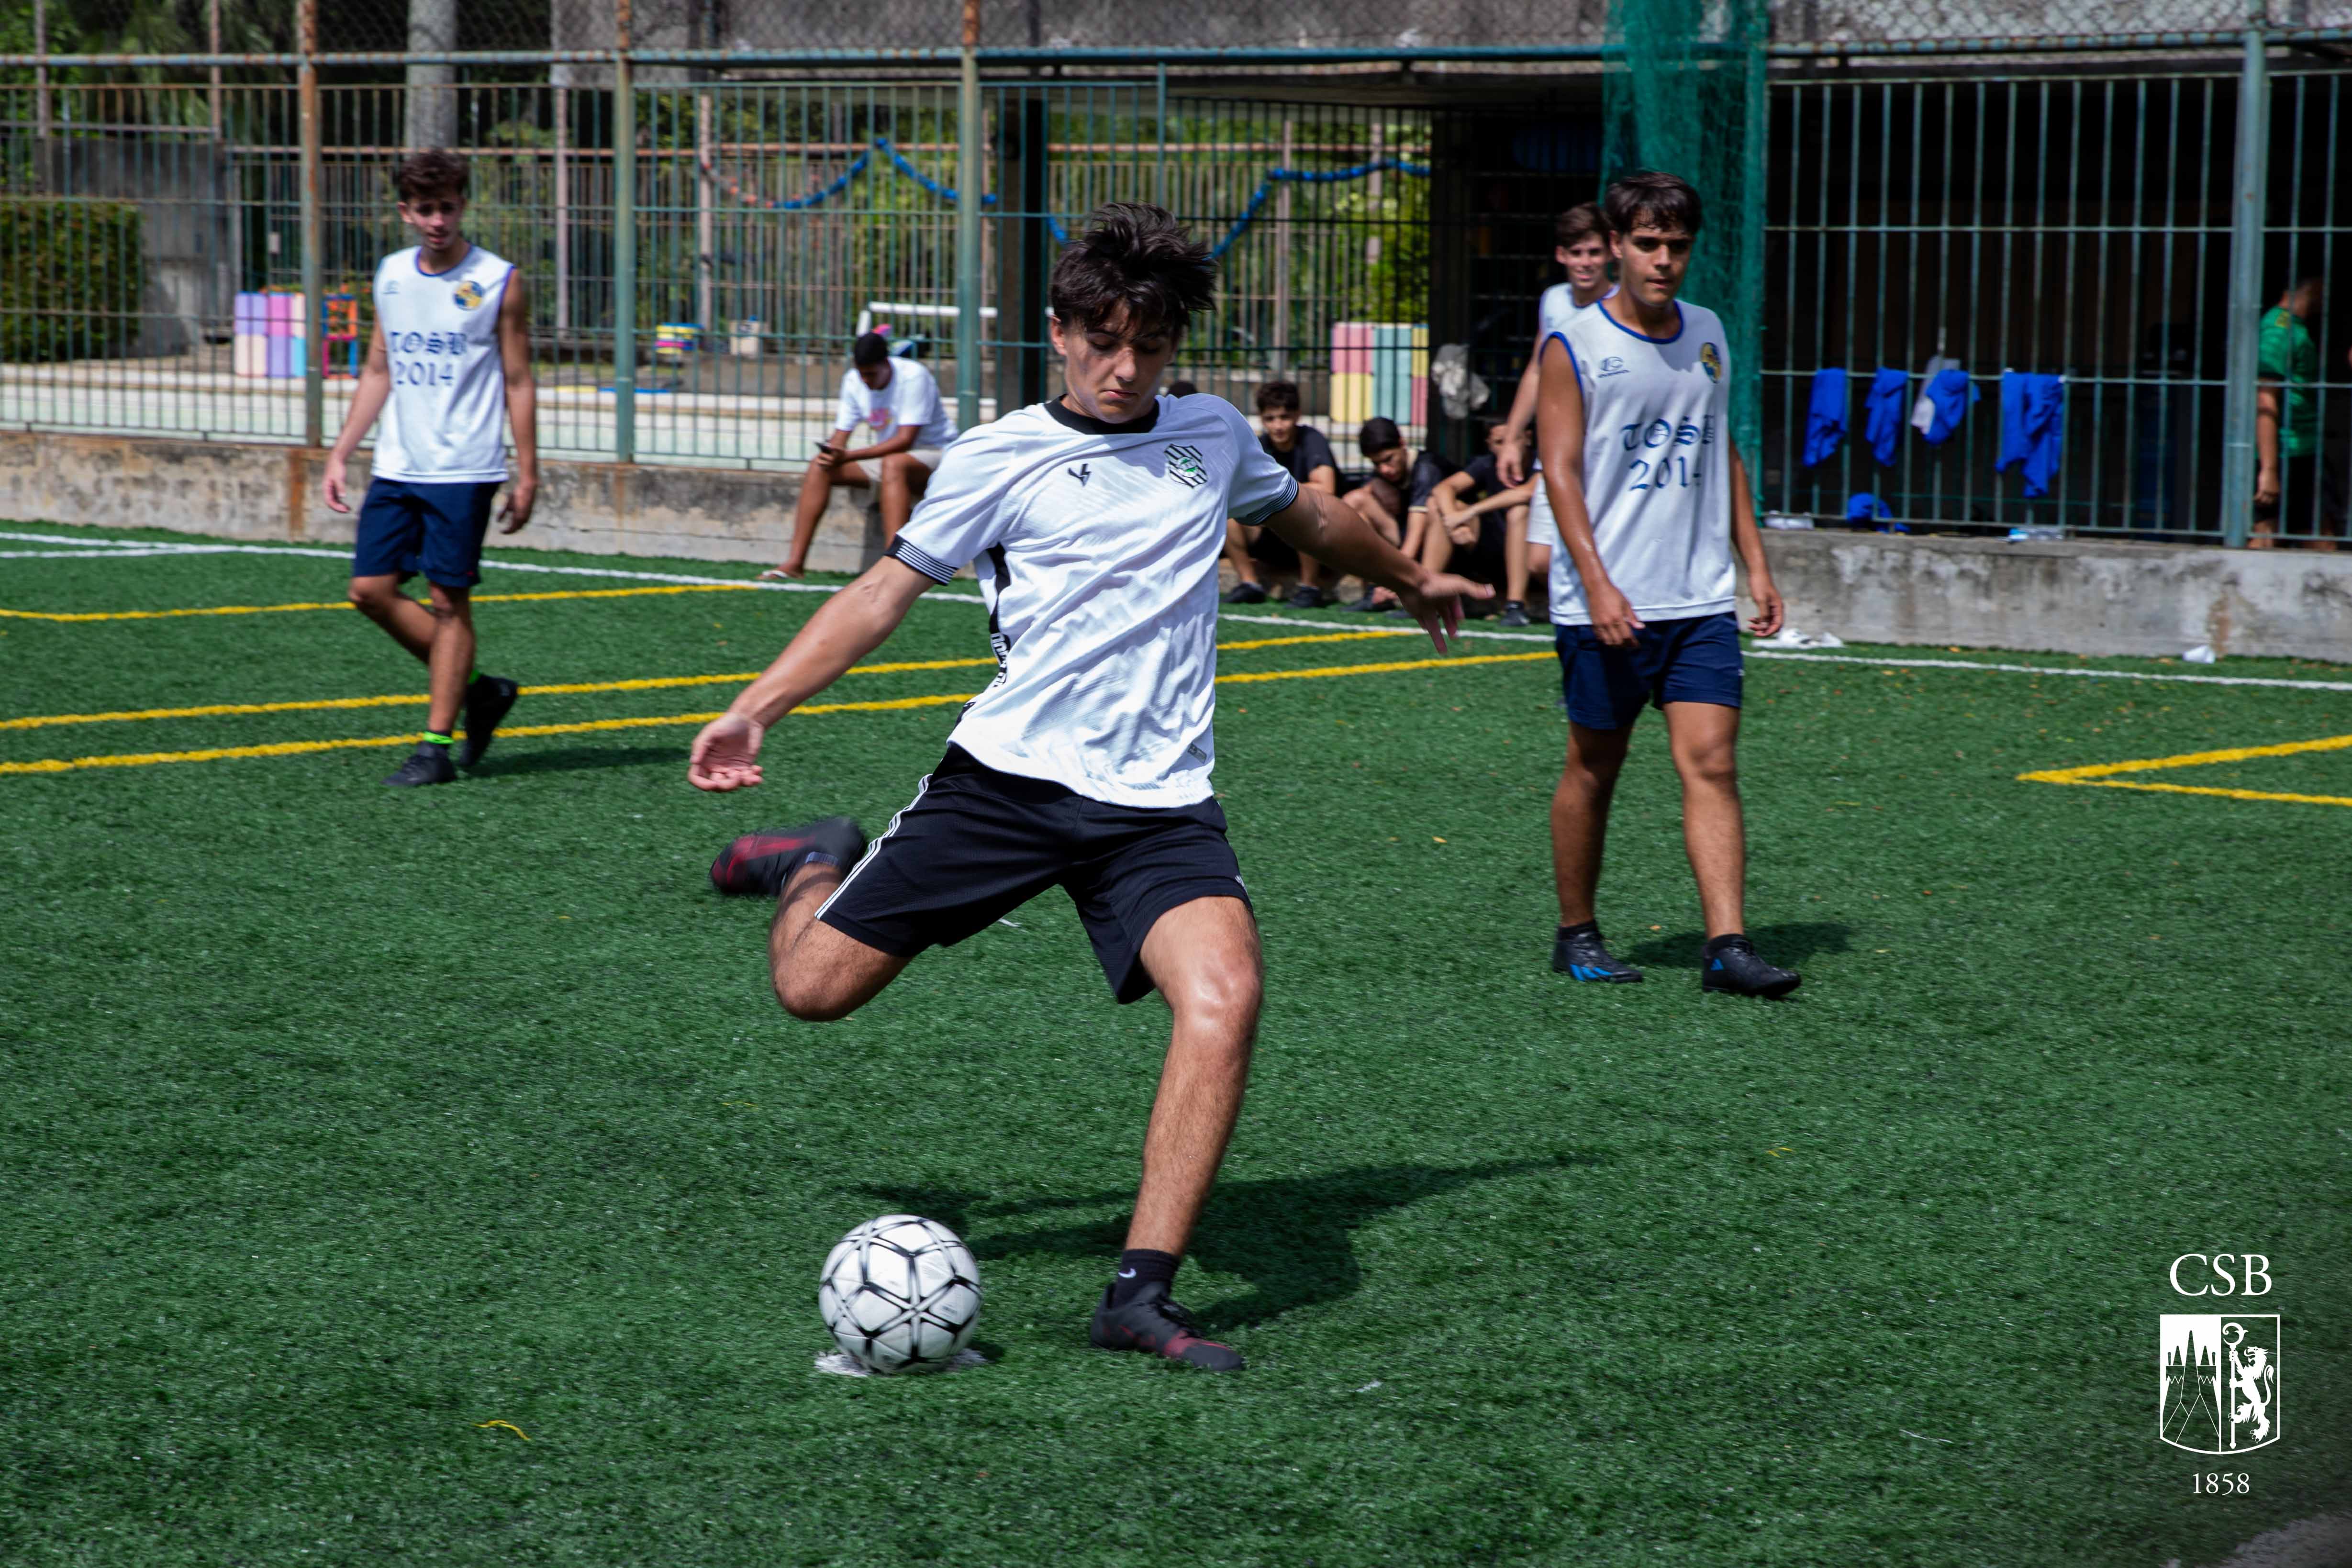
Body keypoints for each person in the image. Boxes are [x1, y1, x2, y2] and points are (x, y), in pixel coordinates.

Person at [686, 205, 1486, 1371]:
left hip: (1157, 805)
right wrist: (757, 707)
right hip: (1007, 786)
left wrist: (1410, 572)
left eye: (1150, 348)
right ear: (1059, 333)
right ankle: (815, 858)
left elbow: (1305, 512)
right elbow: (882, 595)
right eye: (1104, 342)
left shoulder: (1209, 435)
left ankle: (1138, 1295)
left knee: (1225, 995)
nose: (1125, 370)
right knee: (813, 990)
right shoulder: (1000, 456)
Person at [1534, 170, 1797, 997]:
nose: (1662, 261)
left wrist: (1755, 563)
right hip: (1607, 605)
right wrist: (1598, 582)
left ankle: (1728, 946)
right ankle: (1576, 932)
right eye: (1646, 244)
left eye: (1677, 246)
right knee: (1593, 766)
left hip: (1698, 599)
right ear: (1614, 245)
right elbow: (1561, 470)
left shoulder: (1710, 332)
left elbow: (1721, 448)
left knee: (1713, 764)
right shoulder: (1572, 344)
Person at [321, 148, 536, 788]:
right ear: (405, 213)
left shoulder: (497, 279)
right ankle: (481, 690)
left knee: (448, 601)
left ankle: (434, 747)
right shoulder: (390, 276)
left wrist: (527, 473)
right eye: (425, 209)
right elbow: (378, 370)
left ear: (462, 206)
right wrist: (340, 452)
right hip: (398, 463)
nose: (437, 220)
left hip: (465, 467)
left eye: (447, 207)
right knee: (370, 590)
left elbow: (520, 379)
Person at [1501, 203, 1616, 626]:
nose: (1585, 262)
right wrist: (1513, 435)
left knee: (1598, 553)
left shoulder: (1622, 304)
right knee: (1540, 561)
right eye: (1576, 253)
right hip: (1558, 451)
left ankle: (1602, 638)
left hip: (1606, 454)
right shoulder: (1553, 301)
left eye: (1593, 252)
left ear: (1609, 254)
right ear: (1560, 255)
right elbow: (1536, 367)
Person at [765, 332, 958, 579]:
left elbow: (905, 440)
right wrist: (832, 453)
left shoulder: (913, 376)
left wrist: (849, 455)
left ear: (887, 364)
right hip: (894, 459)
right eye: (862, 373)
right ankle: (794, 564)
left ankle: (896, 566)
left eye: (872, 374)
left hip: (937, 455)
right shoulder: (854, 381)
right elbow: (841, 434)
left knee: (893, 464)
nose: (866, 380)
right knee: (819, 467)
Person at [1220, 379, 1341, 606]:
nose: (1278, 426)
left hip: (1318, 537)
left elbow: (1327, 489)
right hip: (1273, 531)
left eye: (1284, 418)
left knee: (1303, 508)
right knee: (1228, 512)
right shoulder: (1260, 445)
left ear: (1297, 415)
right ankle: (1249, 584)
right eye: (1270, 419)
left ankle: (1309, 587)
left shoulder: (1312, 440)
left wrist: (1277, 494)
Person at [2255, 275, 2344, 551]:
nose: (2326, 298)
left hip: (2300, 450)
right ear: (2311, 286)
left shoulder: (2294, 327)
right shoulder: (2279, 331)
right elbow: (2266, 398)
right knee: (2315, 539)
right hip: (2289, 452)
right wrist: (2269, 470)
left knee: (2279, 535)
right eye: (2323, 289)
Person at [1420, 421, 1536, 620]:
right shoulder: (1487, 463)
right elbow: (1443, 489)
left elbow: (1527, 493)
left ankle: (1516, 605)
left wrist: (1470, 513)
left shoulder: (1540, 462)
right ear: (1489, 444)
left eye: (1513, 440)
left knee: (1519, 511)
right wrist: (1454, 523)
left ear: (1528, 438)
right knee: (1436, 504)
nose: (1507, 448)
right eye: (1500, 442)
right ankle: (1423, 595)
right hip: (1493, 547)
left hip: (1534, 548)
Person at [1344, 416, 1457, 612]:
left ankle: (1423, 597)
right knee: (1354, 501)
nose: (1384, 470)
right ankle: (1375, 592)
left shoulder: (1427, 469)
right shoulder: (1383, 474)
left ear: (1402, 444)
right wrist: (1373, 485)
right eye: (1377, 464)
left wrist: (1394, 580)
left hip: (1451, 548)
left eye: (1389, 459)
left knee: (1433, 508)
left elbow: (1416, 534)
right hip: (1407, 543)